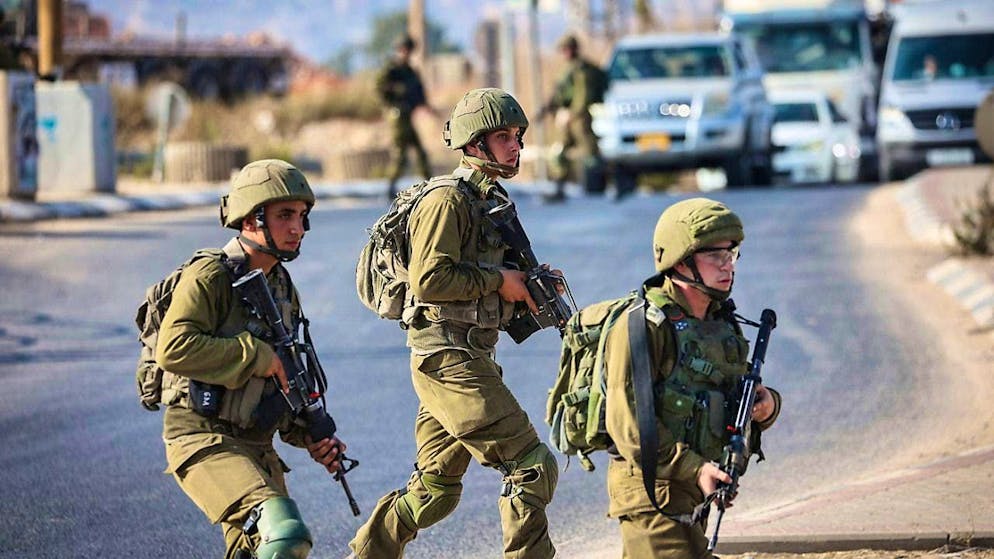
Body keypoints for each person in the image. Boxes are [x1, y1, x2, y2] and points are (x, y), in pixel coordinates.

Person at [348, 88, 559, 559]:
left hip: (467, 353)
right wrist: (498, 280)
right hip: (448, 358)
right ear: (473, 143)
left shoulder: (490, 201)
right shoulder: (447, 200)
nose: (515, 146)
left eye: (517, 136)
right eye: (502, 137)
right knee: (531, 465)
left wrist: (527, 285)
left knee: (435, 491)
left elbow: (486, 289)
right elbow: (431, 280)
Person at [155, 159, 347, 559]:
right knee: (285, 535)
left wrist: (310, 435)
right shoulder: (211, 276)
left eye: (301, 216)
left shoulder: (280, 285)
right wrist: (256, 355)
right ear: (250, 219)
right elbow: (173, 347)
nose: (297, 228)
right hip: (205, 436)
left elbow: (284, 377)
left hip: (257, 445)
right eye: (283, 216)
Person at [602, 197, 782, 557]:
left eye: (732, 254)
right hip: (652, 495)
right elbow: (630, 427)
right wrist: (694, 468)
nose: (728, 265)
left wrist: (768, 405)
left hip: (695, 489)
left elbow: (733, 397)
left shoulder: (720, 323)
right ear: (681, 261)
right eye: (715, 255)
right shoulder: (642, 327)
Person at [541, 33, 607, 202]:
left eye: (567, 49)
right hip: (568, 117)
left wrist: (571, 114)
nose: (564, 53)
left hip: (579, 118)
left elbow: (582, 95)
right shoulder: (567, 69)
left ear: (574, 49)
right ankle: (559, 188)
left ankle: (598, 187)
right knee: (559, 151)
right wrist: (550, 108)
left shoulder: (581, 69)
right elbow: (559, 93)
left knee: (591, 153)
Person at [376, 34, 434, 198]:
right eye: (403, 50)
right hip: (396, 116)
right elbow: (380, 89)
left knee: (420, 151)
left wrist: (424, 105)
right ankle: (390, 188)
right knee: (401, 153)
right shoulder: (391, 70)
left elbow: (418, 91)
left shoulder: (409, 71)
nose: (405, 53)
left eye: (408, 50)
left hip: (407, 115)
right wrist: (392, 101)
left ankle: (430, 184)